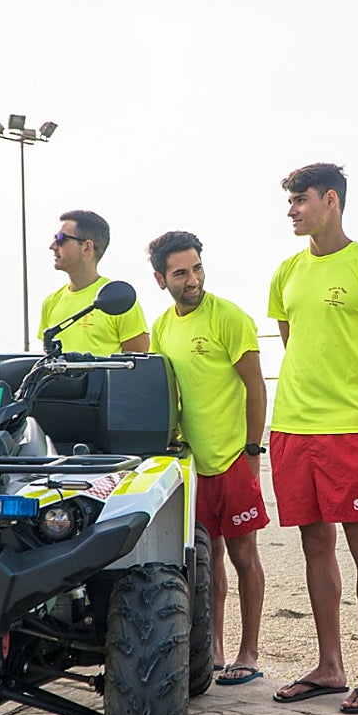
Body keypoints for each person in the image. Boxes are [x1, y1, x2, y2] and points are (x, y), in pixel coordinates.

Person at [267, 163, 358, 714]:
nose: (292, 210)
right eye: (289, 201)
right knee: (314, 546)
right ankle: (330, 666)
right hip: (292, 427)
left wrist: (353, 390)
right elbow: (296, 344)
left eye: (300, 199)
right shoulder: (285, 272)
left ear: (331, 200)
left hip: (351, 430)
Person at [147, 230, 269, 685]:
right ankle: (212, 647)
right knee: (204, 559)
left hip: (233, 458)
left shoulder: (229, 318)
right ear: (161, 279)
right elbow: (166, 396)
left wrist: (252, 451)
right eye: (181, 273)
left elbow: (256, 388)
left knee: (243, 556)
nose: (193, 279)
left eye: (197, 268)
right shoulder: (162, 327)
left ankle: (248, 652)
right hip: (192, 465)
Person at [40, 210, 149, 354]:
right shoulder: (51, 302)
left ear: (87, 247)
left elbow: (139, 362)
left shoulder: (120, 300)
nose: (52, 246)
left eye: (61, 239)